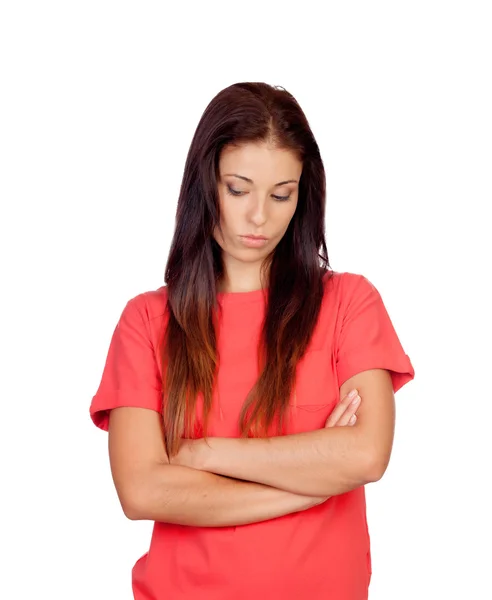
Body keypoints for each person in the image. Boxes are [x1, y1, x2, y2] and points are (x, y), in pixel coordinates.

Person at [90, 81, 415, 600]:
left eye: (281, 194)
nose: (259, 216)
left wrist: (201, 455)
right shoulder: (147, 321)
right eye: (238, 189)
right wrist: (310, 487)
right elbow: (142, 489)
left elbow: (366, 455)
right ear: (205, 185)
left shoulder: (349, 304)